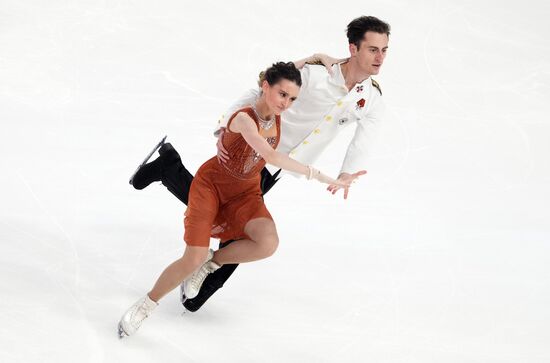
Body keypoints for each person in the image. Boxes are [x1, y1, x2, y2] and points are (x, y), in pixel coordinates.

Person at [130, 15, 390, 313]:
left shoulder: (371, 98)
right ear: (353, 48)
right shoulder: (317, 75)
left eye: (384, 50)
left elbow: (364, 138)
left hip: (282, 164)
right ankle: (202, 284)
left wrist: (346, 172)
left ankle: (169, 168)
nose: (380, 57)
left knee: (229, 215)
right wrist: (226, 125)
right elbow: (261, 91)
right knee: (236, 224)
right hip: (257, 147)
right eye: (373, 49)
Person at [118, 62, 349, 338]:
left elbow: (282, 71)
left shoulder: (274, 113)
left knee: (267, 242)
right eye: (282, 94)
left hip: (246, 191)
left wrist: (313, 57)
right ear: (265, 87)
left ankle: (212, 262)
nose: (286, 103)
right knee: (192, 257)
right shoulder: (243, 118)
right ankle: (146, 305)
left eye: (292, 98)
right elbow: (272, 157)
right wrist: (323, 177)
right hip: (212, 186)